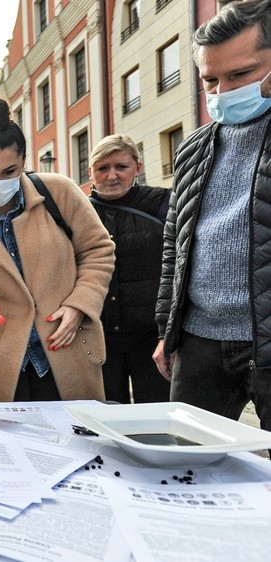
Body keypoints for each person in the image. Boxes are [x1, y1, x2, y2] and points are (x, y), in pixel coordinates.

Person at [0, 94, 115, 403]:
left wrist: (80, 304)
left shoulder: (60, 192)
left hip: (66, 353)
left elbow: (98, 250)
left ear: (24, 164)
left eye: (10, 171)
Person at [154, 0, 271, 431]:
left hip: (267, 338)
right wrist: (168, 328)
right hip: (199, 341)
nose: (223, 92)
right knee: (183, 465)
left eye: (241, 74)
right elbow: (175, 243)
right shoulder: (193, 148)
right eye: (210, 80)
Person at [88, 135, 171, 404]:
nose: (112, 176)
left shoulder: (163, 203)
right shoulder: (78, 211)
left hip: (151, 338)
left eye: (121, 167)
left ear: (138, 168)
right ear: (91, 173)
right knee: (106, 421)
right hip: (99, 339)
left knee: (156, 418)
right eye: (102, 168)